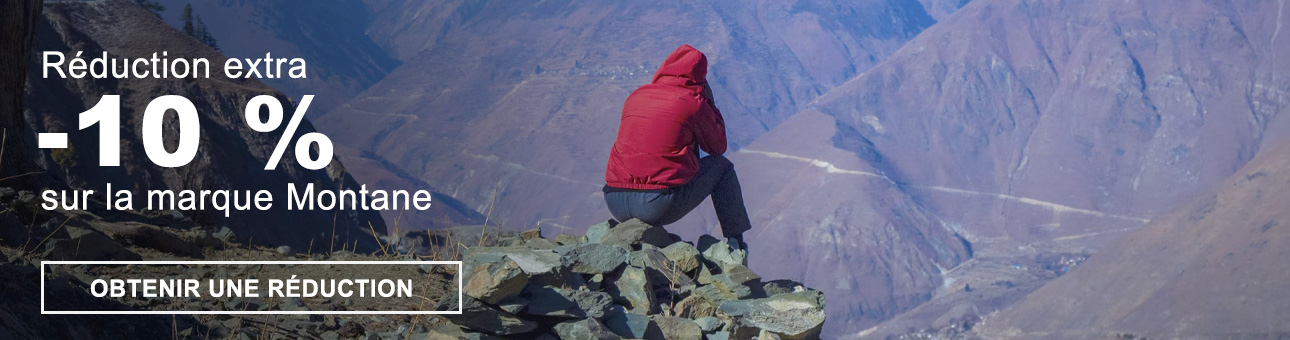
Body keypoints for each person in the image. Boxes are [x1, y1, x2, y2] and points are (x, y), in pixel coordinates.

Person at [603, 44, 752, 253]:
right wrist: (709, 103)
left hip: (614, 200)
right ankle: (737, 246)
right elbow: (717, 148)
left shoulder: (635, 96)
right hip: (655, 206)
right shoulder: (692, 102)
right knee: (722, 167)